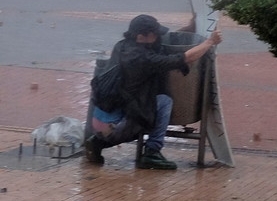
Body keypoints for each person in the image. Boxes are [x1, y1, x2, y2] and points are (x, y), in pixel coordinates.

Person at [85, 14, 222, 169]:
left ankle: (96, 142)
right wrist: (210, 42)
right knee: (163, 102)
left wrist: (189, 28)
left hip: (104, 114)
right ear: (141, 36)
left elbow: (162, 43)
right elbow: (184, 59)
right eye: (154, 34)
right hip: (112, 125)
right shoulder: (142, 59)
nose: (157, 37)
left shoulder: (123, 45)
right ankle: (152, 152)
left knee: (146, 104)